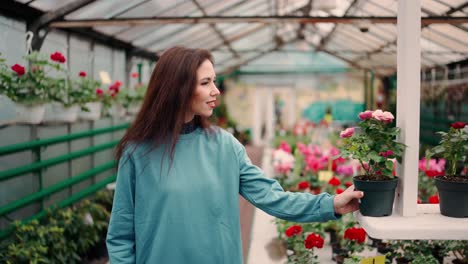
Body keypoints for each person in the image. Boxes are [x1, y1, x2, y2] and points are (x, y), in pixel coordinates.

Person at [106, 46, 364, 264]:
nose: (216, 90)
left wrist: (331, 204)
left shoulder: (224, 146)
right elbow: (120, 236)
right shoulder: (138, 153)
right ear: (178, 89)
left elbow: (274, 198)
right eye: (206, 83)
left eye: (214, 81)